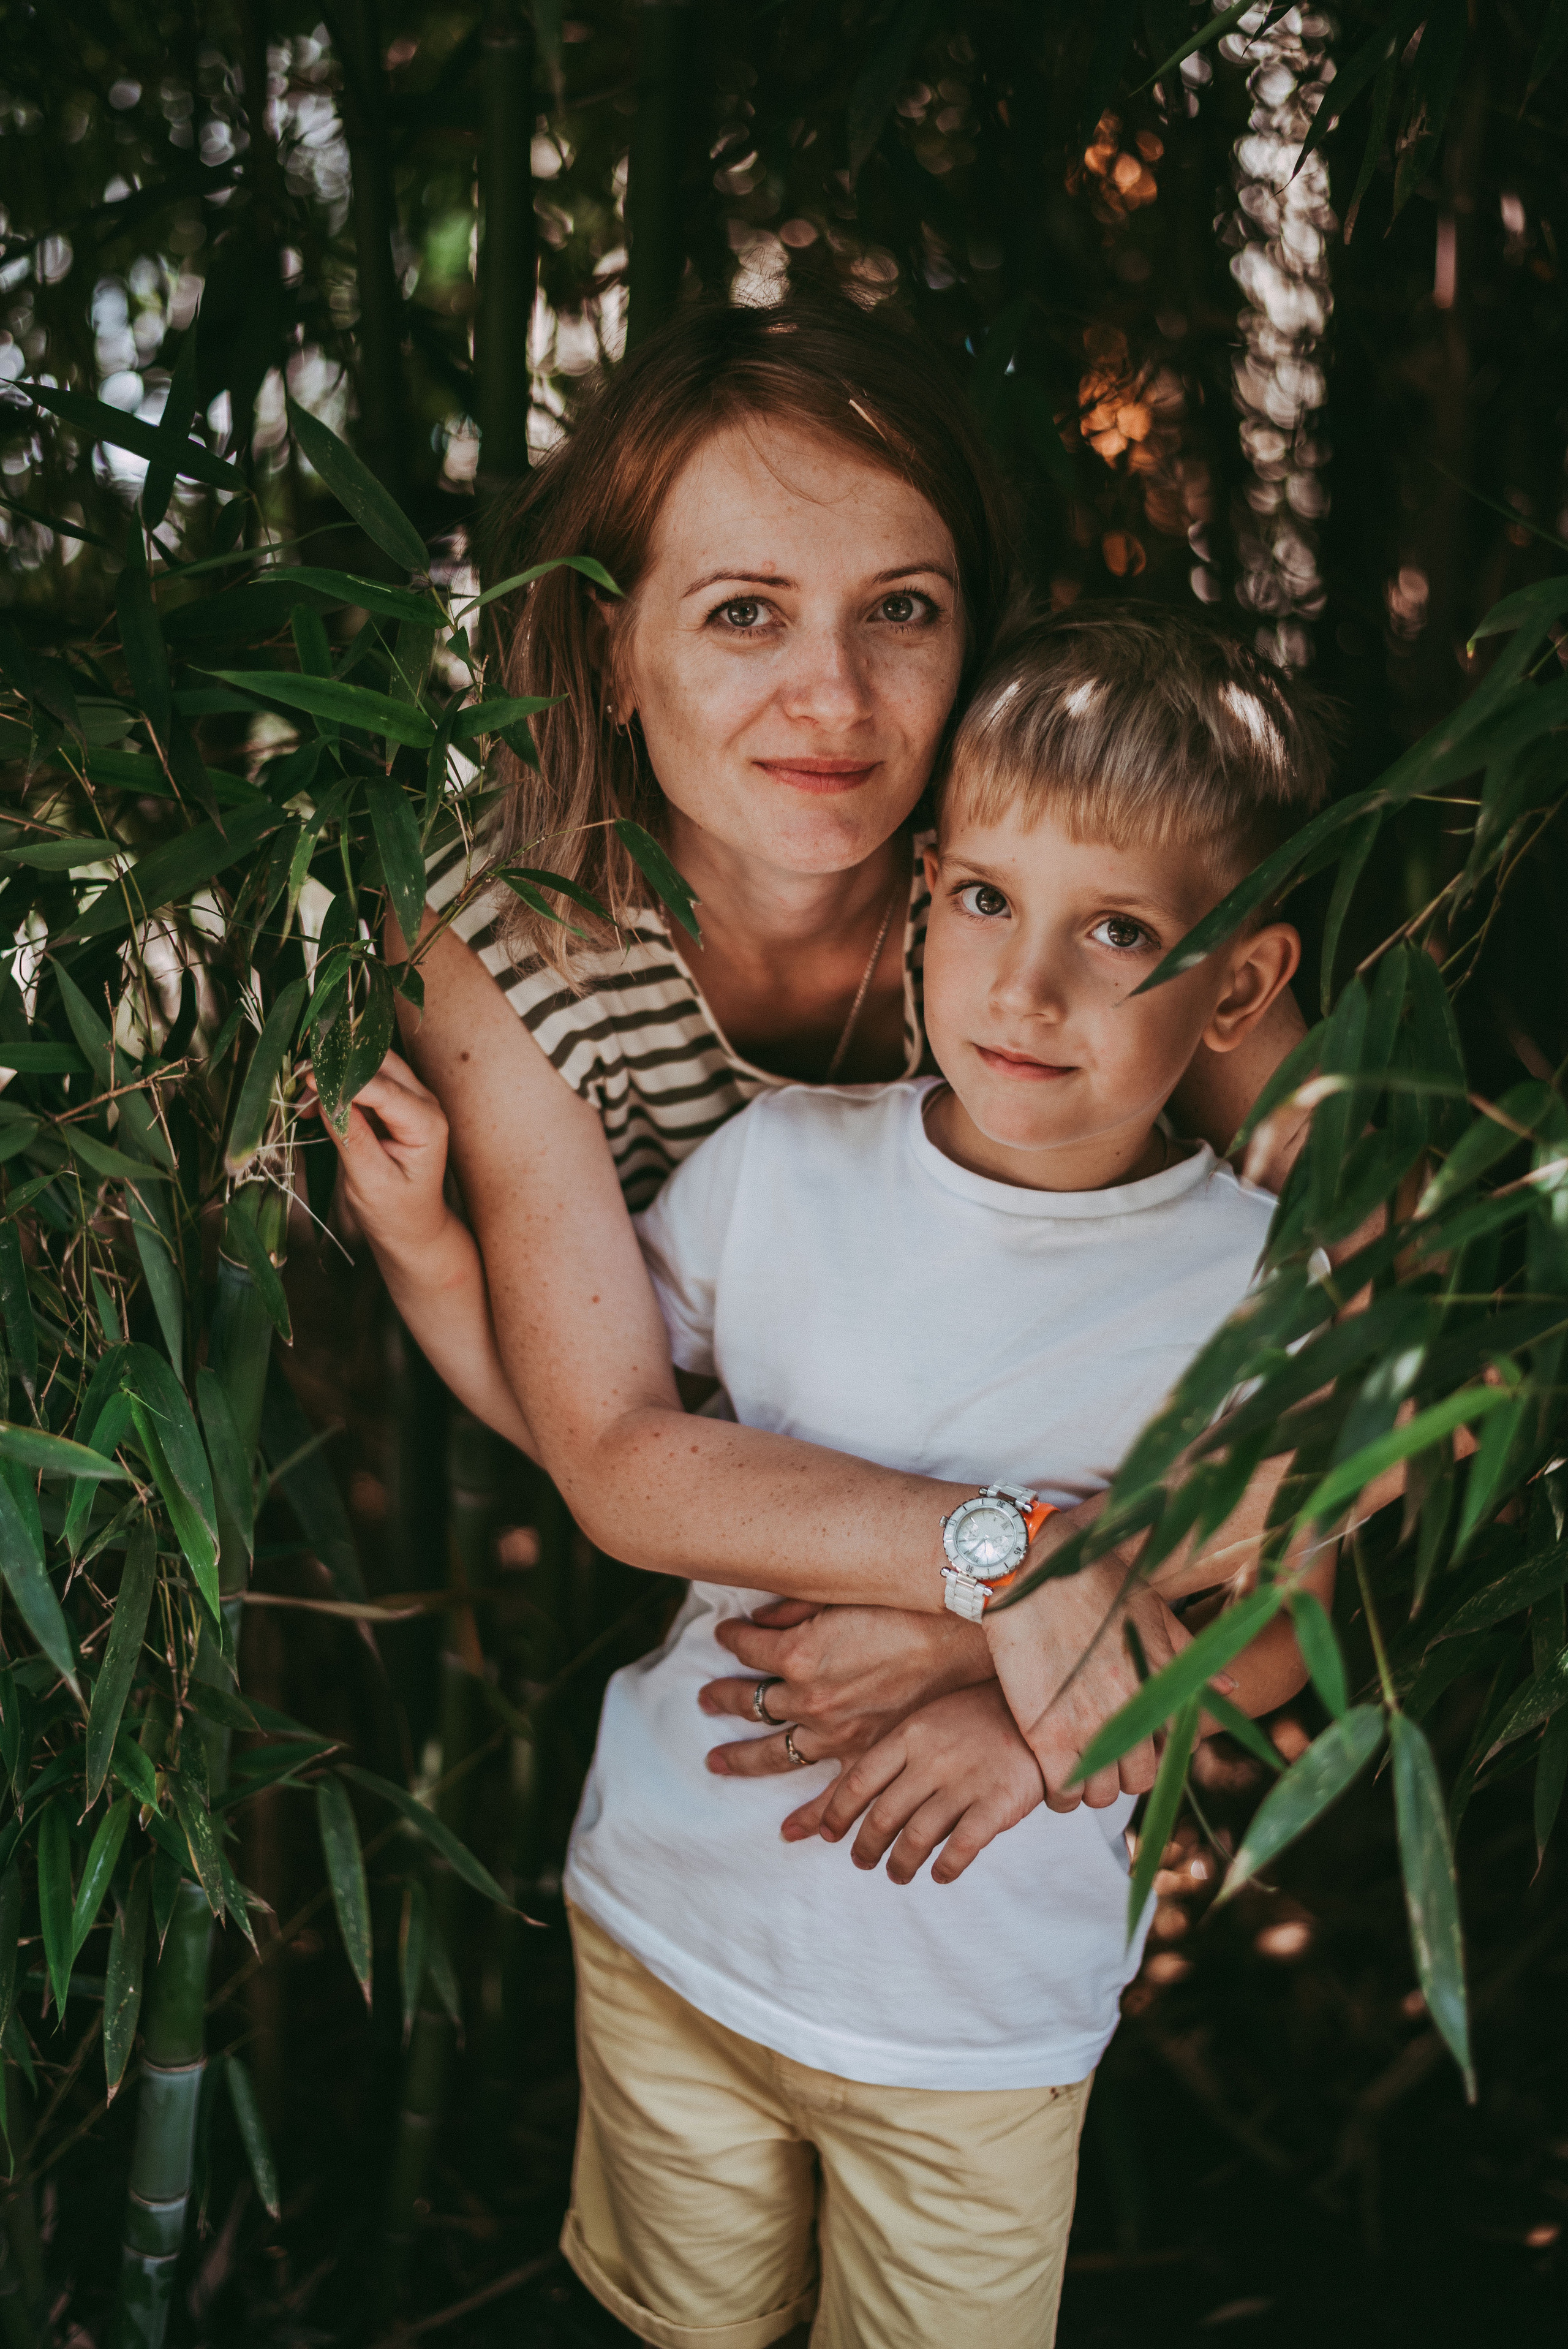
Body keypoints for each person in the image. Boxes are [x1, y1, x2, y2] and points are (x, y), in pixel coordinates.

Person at [326, 293, 1312, 1820]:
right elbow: (611, 1448)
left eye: (900, 609)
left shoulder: (1055, 858)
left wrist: (982, 1634)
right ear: (609, 649)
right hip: (716, 1746)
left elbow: (1410, 1313)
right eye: (743, 613)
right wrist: (1015, 1573)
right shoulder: (500, 937)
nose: (836, 697)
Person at [541, 607, 1336, 2348]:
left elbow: (1282, 1638)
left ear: (1242, 984)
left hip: (973, 2020)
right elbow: (606, 1431)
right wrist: (430, 1257)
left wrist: (1029, 1718)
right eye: (984, 898)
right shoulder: (778, 1167)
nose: (1024, 988)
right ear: (922, 897)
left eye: (1117, 931)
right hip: (670, 1921)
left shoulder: (1257, 1287)